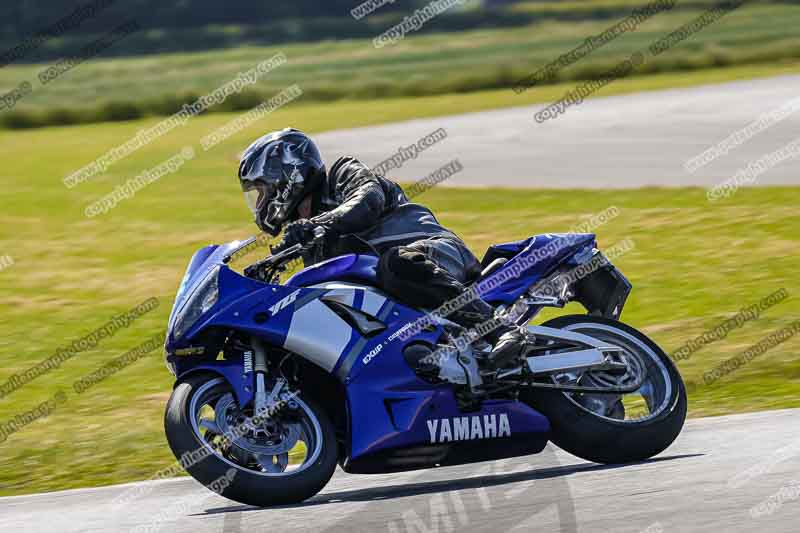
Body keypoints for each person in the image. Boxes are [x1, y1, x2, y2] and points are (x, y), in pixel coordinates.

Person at [238, 128, 522, 362]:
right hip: (402, 295)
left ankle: (500, 330)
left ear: (287, 174)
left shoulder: (341, 175)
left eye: (262, 191)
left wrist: (319, 223)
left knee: (396, 263)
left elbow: (367, 200)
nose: (260, 203)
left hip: (436, 253)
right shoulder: (312, 242)